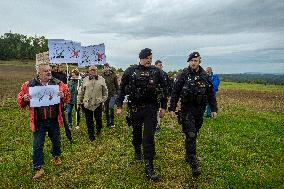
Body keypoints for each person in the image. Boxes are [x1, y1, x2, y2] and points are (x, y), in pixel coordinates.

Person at [116, 48, 168, 181]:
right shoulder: (131, 71)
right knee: (137, 134)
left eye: (151, 58)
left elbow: (163, 89)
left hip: (151, 109)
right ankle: (137, 151)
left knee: (148, 137)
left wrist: (163, 107)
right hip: (135, 109)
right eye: (147, 58)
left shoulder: (156, 72)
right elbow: (122, 89)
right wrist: (120, 106)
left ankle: (149, 166)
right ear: (140, 58)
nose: (149, 60)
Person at [17, 63, 70, 179]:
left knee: (56, 141)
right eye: (45, 71)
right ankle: (38, 167)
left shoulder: (58, 84)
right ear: (39, 73)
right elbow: (20, 101)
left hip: (54, 119)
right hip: (38, 121)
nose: (49, 72)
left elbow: (67, 97)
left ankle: (56, 155)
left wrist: (63, 95)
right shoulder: (29, 85)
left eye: (49, 70)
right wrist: (24, 98)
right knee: (37, 145)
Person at [169, 52, 218, 177]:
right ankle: (193, 162)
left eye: (195, 60)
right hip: (187, 109)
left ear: (199, 61)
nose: (193, 63)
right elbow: (175, 92)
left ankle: (188, 153)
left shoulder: (204, 76)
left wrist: (214, 109)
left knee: (194, 133)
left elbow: (211, 94)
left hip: (199, 110)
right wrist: (172, 108)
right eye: (191, 60)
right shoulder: (183, 75)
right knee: (191, 134)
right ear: (188, 62)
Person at [77, 65, 108, 142]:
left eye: (94, 70)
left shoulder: (102, 79)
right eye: (91, 70)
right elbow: (81, 92)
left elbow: (105, 92)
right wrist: (79, 102)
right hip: (87, 104)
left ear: (96, 70)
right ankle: (91, 136)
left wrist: (102, 100)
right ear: (89, 71)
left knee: (98, 119)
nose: (93, 71)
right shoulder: (85, 80)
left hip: (98, 104)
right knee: (89, 121)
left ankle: (98, 131)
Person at [51, 64, 73, 142]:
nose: (58, 68)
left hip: (61, 98)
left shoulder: (64, 75)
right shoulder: (53, 74)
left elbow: (66, 84)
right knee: (56, 120)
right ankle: (57, 137)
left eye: (60, 67)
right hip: (53, 98)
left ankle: (69, 136)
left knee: (64, 120)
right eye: (57, 67)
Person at [102, 63, 119, 128]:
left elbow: (116, 85)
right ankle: (108, 122)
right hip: (105, 95)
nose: (106, 68)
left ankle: (112, 122)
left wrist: (117, 93)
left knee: (111, 107)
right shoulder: (102, 76)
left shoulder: (113, 75)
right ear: (103, 68)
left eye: (107, 67)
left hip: (113, 94)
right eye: (104, 67)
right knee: (106, 109)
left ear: (109, 68)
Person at [154, 60, 169, 131]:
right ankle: (154, 124)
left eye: (161, 65)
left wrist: (167, 94)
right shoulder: (152, 73)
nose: (161, 66)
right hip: (154, 95)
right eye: (159, 65)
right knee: (155, 110)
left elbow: (168, 85)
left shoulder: (165, 74)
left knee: (160, 110)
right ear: (155, 65)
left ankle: (158, 125)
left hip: (162, 95)